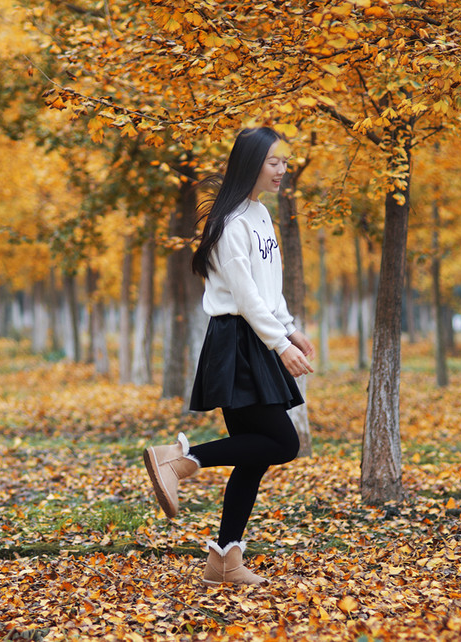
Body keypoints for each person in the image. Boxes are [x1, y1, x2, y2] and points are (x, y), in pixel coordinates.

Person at [143, 127, 315, 586]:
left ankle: (224, 561)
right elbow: (243, 295)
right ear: (252, 162)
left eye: (285, 162)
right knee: (282, 444)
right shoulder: (230, 223)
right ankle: (179, 460)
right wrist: (279, 343)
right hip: (238, 341)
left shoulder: (260, 215)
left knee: (255, 456)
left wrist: (292, 328)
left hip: (255, 334)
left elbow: (267, 288)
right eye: (275, 161)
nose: (283, 169)